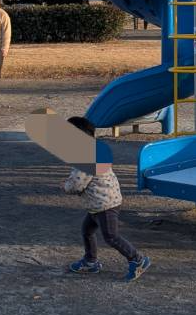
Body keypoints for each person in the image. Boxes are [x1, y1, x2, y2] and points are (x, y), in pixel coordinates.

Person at [62, 117, 151, 281]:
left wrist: (66, 186)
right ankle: (90, 261)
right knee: (87, 231)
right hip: (99, 203)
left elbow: (77, 184)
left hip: (105, 205)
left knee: (111, 236)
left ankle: (137, 259)